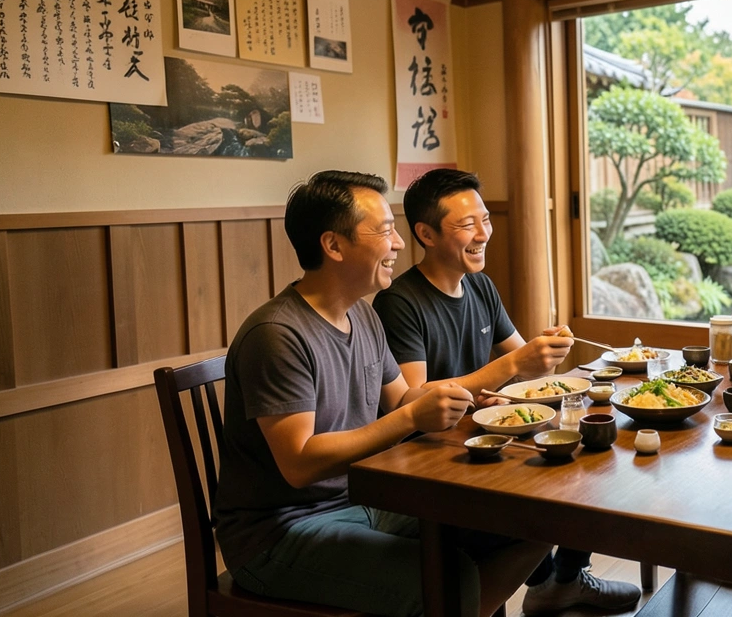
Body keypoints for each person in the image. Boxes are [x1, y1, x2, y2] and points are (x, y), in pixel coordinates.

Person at [214, 170, 550, 617]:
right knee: (452, 578)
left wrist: (458, 400)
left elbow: (402, 399)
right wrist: (411, 418)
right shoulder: (277, 334)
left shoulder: (363, 315)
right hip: (281, 533)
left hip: (364, 498)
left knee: (530, 522)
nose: (398, 244)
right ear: (333, 246)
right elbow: (299, 464)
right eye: (385, 231)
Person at [373, 168, 641, 615]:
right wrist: (514, 367)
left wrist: (546, 351)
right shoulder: (400, 302)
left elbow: (527, 366)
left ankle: (564, 579)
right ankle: (550, 584)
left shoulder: (479, 285)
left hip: (486, 438)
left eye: (485, 219)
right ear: (426, 234)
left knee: (589, 458)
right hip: (431, 459)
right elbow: (411, 397)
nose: (483, 233)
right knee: (552, 496)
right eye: (467, 224)